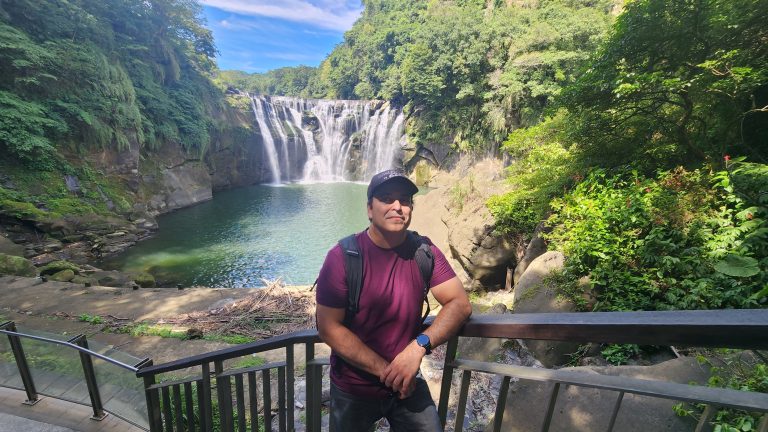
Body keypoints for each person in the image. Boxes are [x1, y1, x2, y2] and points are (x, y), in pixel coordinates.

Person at [315, 169, 472, 431]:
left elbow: (460, 304)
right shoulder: (342, 257)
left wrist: (418, 347)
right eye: (387, 198)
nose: (397, 206)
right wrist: (389, 371)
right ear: (369, 209)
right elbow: (328, 327)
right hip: (353, 388)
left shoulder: (424, 251)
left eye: (405, 200)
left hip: (407, 382)